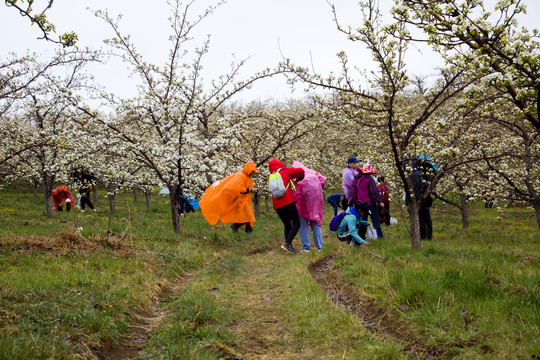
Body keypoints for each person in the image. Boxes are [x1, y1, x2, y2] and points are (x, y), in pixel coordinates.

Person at [199, 161, 259, 233]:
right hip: (240, 200)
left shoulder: (248, 177)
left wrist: (251, 190)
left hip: (245, 200)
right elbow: (238, 188)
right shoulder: (240, 176)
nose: (253, 173)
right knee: (249, 217)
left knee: (247, 217)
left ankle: (246, 232)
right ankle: (237, 227)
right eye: (252, 171)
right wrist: (251, 190)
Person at [268, 158, 305, 254]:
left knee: (287, 225)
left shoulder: (271, 176)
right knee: (296, 223)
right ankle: (287, 244)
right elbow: (301, 171)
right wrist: (297, 180)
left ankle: (289, 247)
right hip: (288, 201)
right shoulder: (285, 171)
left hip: (277, 205)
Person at [292, 161, 326, 253]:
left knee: (303, 225)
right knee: (315, 222)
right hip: (314, 204)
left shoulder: (295, 176)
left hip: (301, 205)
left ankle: (306, 247)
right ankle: (319, 247)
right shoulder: (312, 173)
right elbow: (323, 179)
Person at [350, 163, 384, 238]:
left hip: (361, 204)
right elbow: (374, 191)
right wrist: (379, 201)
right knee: (375, 220)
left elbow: (353, 191)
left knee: (362, 221)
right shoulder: (369, 179)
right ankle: (379, 236)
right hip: (370, 203)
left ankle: (362, 237)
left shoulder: (356, 179)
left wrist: (355, 201)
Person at [411, 161, 433, 240]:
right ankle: (428, 235)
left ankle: (424, 235)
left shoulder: (417, 175)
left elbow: (417, 188)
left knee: (422, 218)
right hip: (425, 199)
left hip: (422, 199)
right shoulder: (425, 176)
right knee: (426, 217)